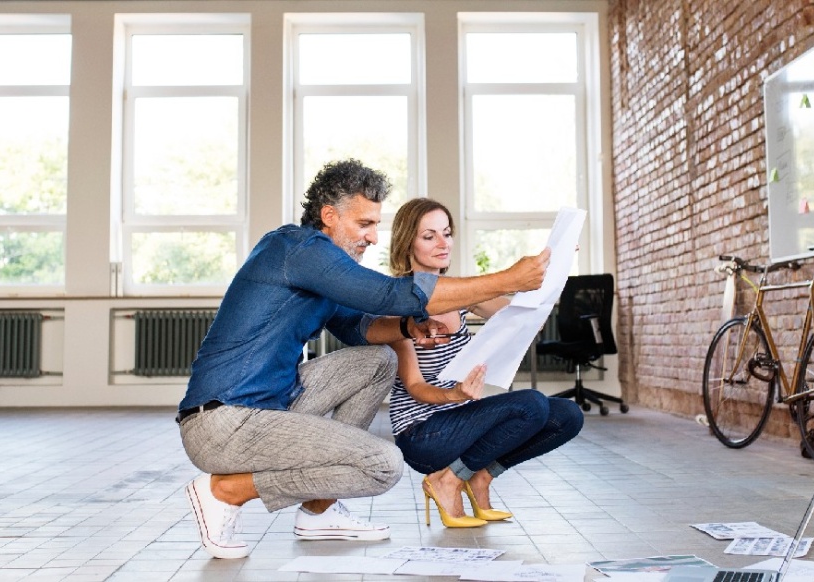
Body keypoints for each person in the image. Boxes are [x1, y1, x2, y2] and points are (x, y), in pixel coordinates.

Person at [178, 159, 551, 559]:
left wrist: (410, 329)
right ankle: (225, 491)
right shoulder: (298, 249)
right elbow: (387, 296)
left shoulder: (322, 271)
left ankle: (318, 511)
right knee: (382, 464)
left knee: (377, 361)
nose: (374, 238)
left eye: (376, 225)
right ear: (329, 216)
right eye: (364, 224)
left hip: (270, 408)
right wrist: (507, 280)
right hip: (222, 422)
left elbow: (362, 328)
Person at [386, 198, 584, 528]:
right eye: (429, 236)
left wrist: (556, 267)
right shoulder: (396, 302)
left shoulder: (463, 293)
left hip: (460, 420)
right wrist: (457, 394)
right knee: (531, 404)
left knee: (568, 415)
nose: (443, 243)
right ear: (408, 241)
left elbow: (527, 316)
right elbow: (415, 386)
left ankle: (480, 476)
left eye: (447, 233)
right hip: (423, 435)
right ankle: (446, 481)